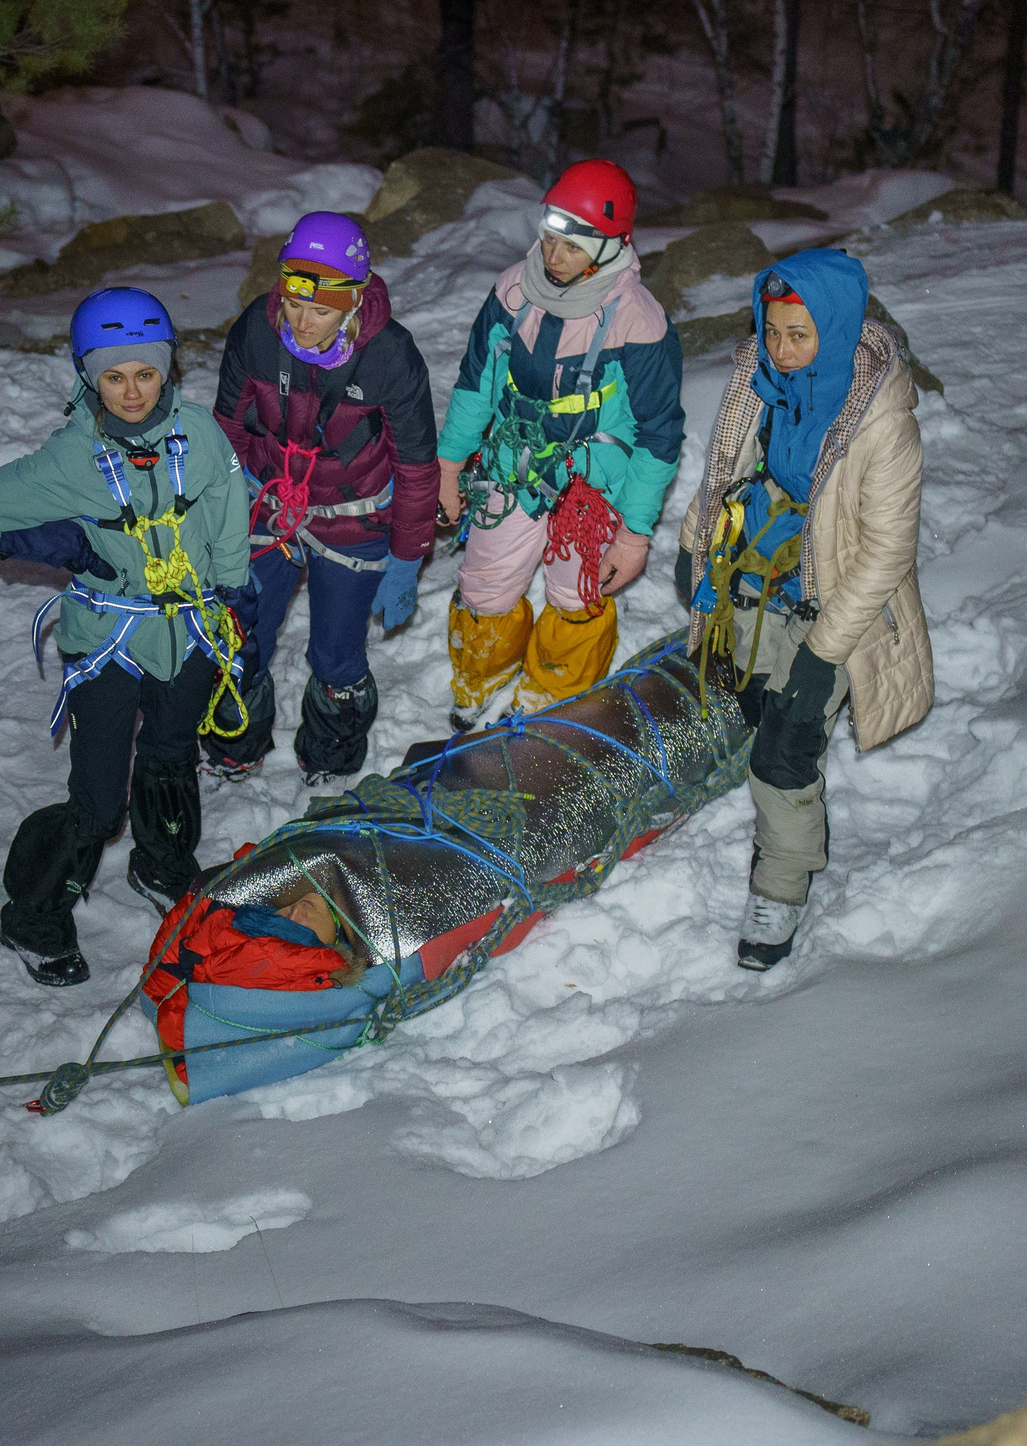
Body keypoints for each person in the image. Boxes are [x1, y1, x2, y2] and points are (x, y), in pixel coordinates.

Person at [0, 287, 253, 986]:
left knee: (171, 754)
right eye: (114, 375)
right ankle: (35, 912)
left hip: (189, 628)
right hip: (111, 635)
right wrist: (59, 543)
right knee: (99, 795)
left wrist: (235, 594)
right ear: (88, 376)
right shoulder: (69, 458)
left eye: (146, 372)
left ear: (169, 368)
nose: (132, 390)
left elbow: (231, 507)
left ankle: (161, 861)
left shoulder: (201, 434)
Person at [677, 250, 934, 970]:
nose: (783, 349)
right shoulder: (761, 382)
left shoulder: (881, 421)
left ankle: (781, 888)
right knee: (763, 713)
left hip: (836, 611)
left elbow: (885, 552)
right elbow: (731, 469)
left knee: (784, 750)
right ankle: (786, 819)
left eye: (801, 334)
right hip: (758, 581)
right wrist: (695, 540)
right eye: (774, 329)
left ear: (840, 329)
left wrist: (824, 658)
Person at [436, 159, 684, 729]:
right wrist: (449, 465)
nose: (553, 258)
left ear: (610, 245)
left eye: (571, 248)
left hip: (591, 486)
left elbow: (660, 435)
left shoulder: (638, 323)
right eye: (549, 240)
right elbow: (476, 383)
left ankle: (552, 694)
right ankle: (484, 681)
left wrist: (635, 534)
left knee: (578, 598)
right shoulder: (512, 292)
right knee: (485, 584)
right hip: (511, 465)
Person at [205, 212, 439, 784]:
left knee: (337, 653)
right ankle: (236, 740)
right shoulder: (255, 335)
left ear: (352, 304)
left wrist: (407, 556)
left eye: (321, 310)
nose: (304, 322)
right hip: (268, 503)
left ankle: (331, 758)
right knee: (240, 634)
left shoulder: (390, 356)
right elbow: (228, 434)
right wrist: (220, 518)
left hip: (352, 517)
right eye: (294, 303)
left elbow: (415, 465)